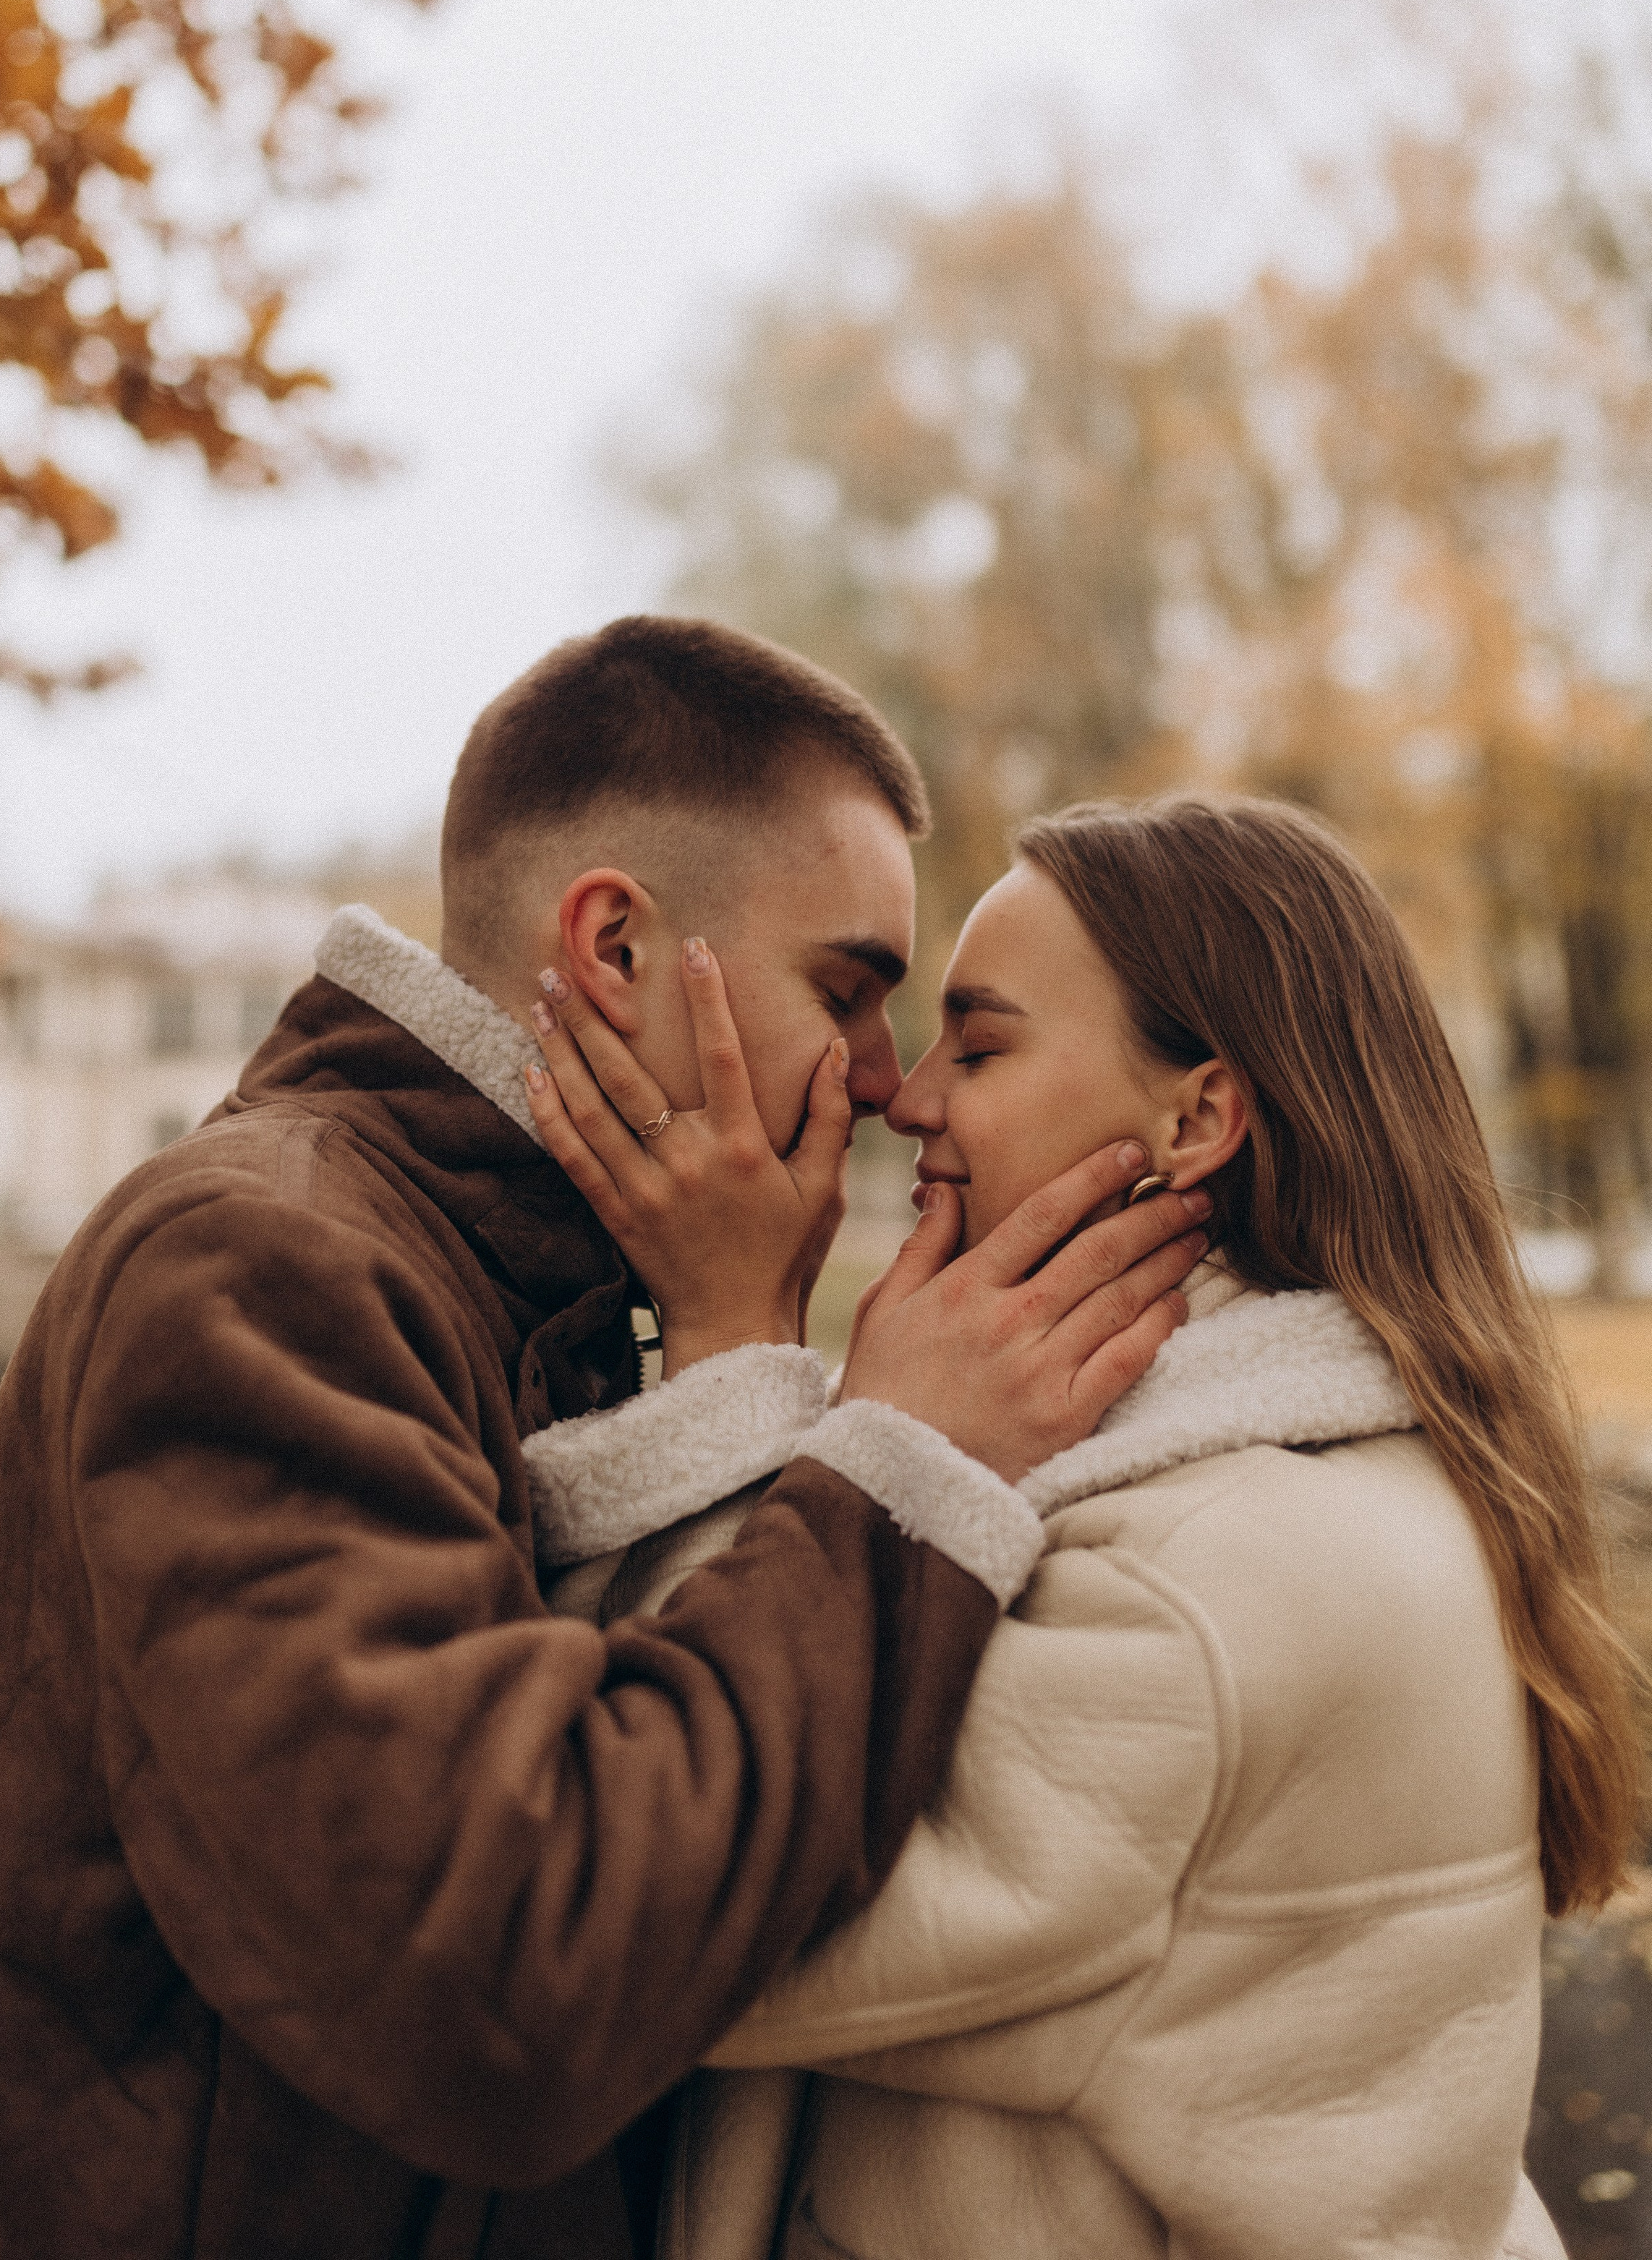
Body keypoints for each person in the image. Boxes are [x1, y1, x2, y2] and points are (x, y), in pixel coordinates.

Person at [0, 618, 1207, 2260]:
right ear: (613, 952)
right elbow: (502, 1983)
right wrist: (894, 1474)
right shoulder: (267, 1269)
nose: (884, 1082)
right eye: (848, 989)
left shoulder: (516, 1277)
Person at [524, 791, 1640, 2260]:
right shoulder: (1310, 1483)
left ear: (1194, 1118)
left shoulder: (1201, 1586)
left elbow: (658, 1918)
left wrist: (738, 1350)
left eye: (977, 1045)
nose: (906, 1097)